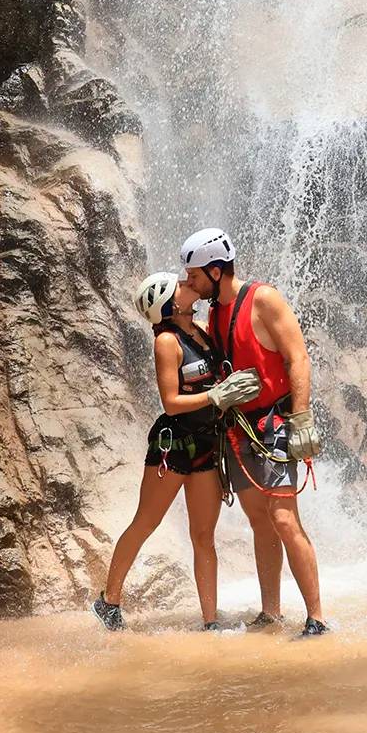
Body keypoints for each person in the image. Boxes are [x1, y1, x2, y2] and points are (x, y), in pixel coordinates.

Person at [178, 227, 328, 638]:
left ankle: (317, 619)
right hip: (238, 429)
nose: (187, 282)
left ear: (213, 270)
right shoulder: (215, 312)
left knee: (282, 517)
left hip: (274, 424)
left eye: (192, 276)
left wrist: (301, 418)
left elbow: (297, 357)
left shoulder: (263, 299)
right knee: (259, 520)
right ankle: (272, 613)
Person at [92, 270, 260, 631]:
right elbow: (171, 402)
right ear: (170, 305)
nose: (187, 286)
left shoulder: (199, 329)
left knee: (203, 535)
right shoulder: (166, 341)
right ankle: (109, 601)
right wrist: (216, 395)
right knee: (146, 522)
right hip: (173, 446)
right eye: (179, 287)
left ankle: (210, 620)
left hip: (206, 443)